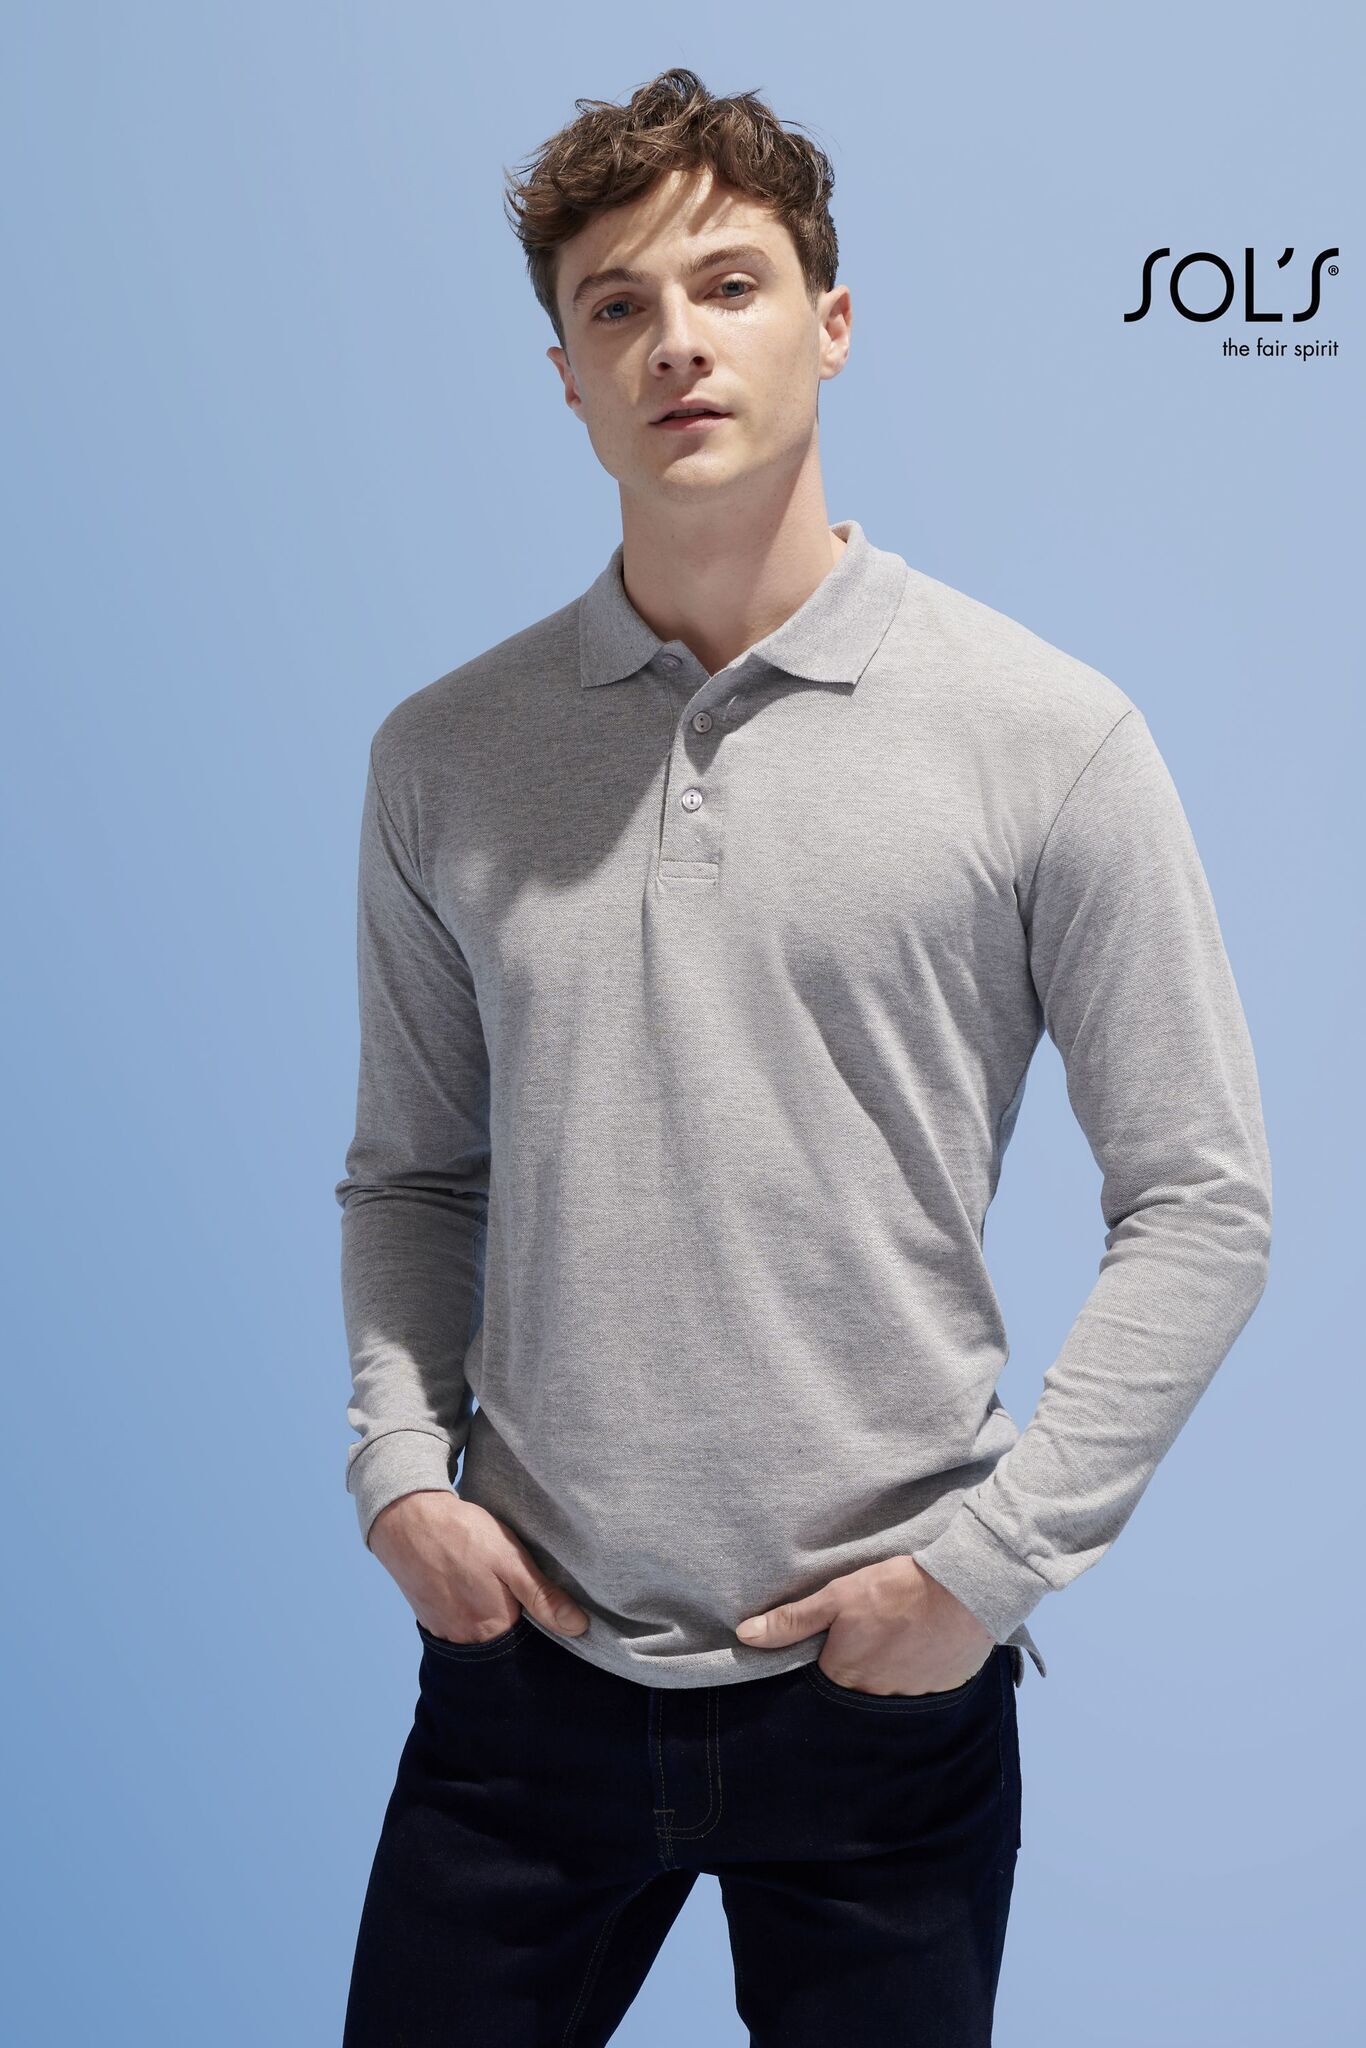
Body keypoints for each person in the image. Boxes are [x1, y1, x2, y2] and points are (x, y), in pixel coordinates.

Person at [336, 66, 1272, 2048]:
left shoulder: (1047, 737)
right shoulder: (441, 757)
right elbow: (415, 1172)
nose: (674, 339)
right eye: (615, 305)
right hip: (523, 1682)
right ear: (566, 379)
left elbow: (1201, 1201)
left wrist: (989, 1569)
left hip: (881, 1695)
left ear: (829, 324)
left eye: (729, 283)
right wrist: (400, 1470)